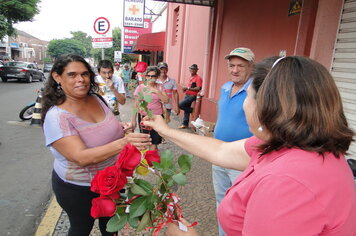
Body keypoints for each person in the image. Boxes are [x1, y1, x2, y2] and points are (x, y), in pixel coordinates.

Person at [143, 56, 356, 235]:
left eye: (249, 96)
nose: (245, 103)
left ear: (267, 107)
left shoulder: (286, 184)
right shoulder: (287, 144)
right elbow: (220, 150)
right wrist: (166, 131)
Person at [41, 54, 151, 236]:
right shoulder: (57, 117)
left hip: (111, 181)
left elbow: (107, 128)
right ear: (57, 77)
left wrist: (122, 129)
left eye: (85, 74)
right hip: (78, 189)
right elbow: (81, 157)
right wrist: (124, 142)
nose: (81, 79)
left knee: (111, 228)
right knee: (81, 229)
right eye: (72, 74)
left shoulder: (97, 98)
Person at [213, 47, 255, 236]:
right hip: (219, 156)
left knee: (240, 206)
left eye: (240, 66)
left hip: (241, 159)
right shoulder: (225, 87)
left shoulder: (256, 91)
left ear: (250, 67)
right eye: (232, 65)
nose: (235, 70)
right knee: (221, 200)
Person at [132, 66, 168, 150]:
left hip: (157, 117)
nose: (150, 78)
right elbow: (136, 105)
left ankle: (152, 160)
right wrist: (133, 120)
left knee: (155, 142)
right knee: (145, 140)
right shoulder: (140, 87)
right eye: (148, 76)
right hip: (144, 117)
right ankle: (148, 159)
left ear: (157, 77)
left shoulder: (160, 87)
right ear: (146, 76)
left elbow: (166, 100)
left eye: (153, 76)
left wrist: (156, 91)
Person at [178, 64, 202, 129]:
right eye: (191, 69)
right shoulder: (191, 77)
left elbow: (198, 88)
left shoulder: (198, 78)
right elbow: (190, 87)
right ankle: (185, 124)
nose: (192, 70)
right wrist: (186, 90)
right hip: (187, 95)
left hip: (192, 96)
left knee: (180, 105)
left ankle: (192, 110)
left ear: (197, 70)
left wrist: (188, 88)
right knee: (186, 110)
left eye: (194, 69)